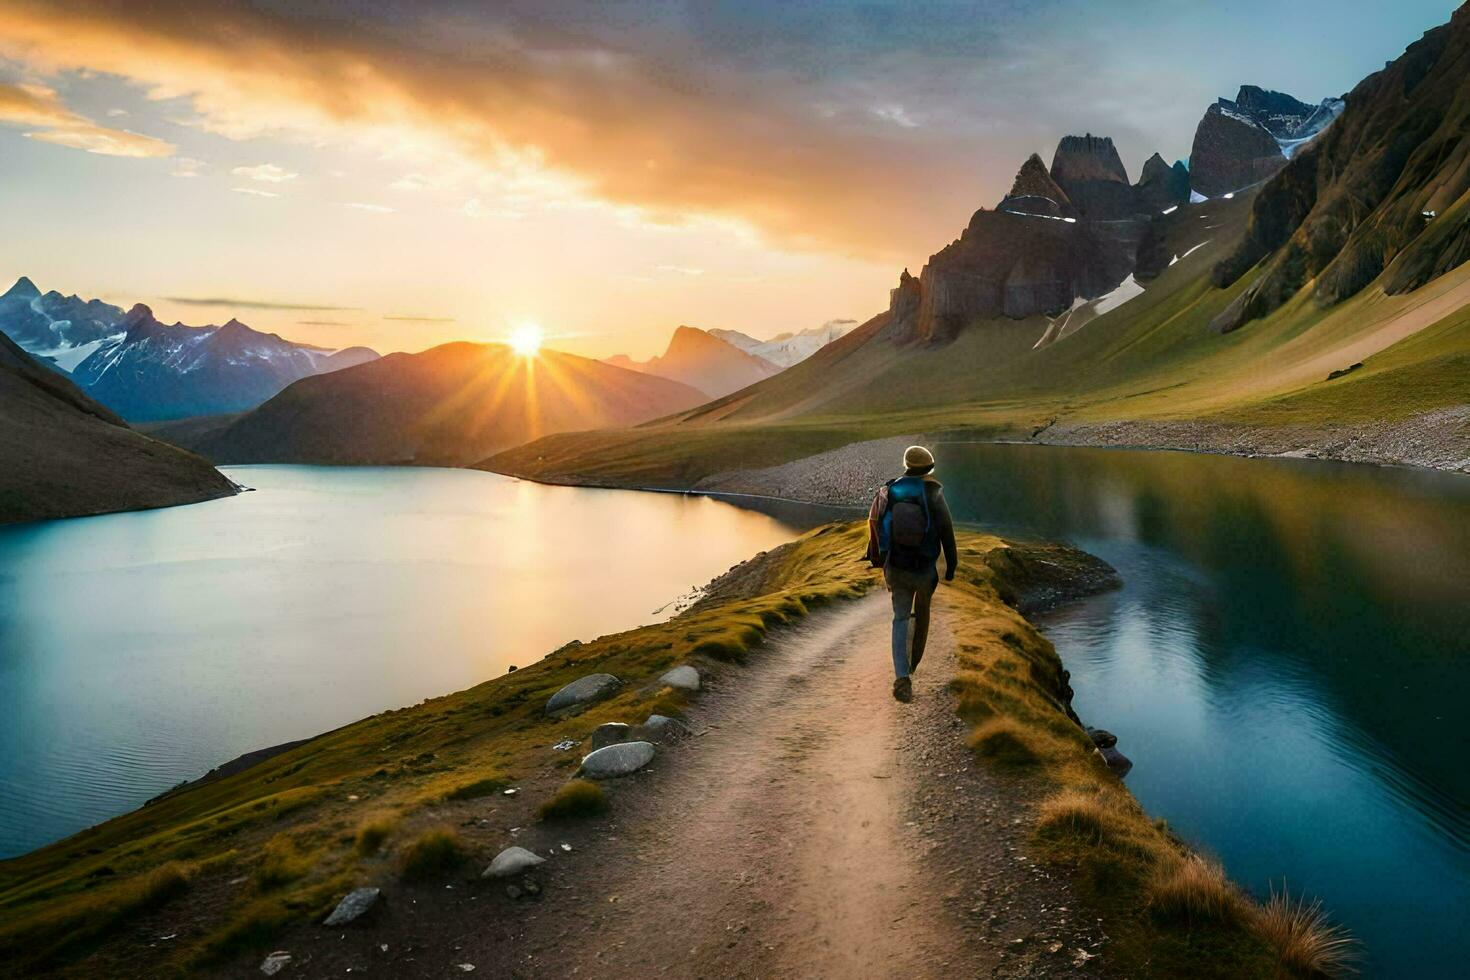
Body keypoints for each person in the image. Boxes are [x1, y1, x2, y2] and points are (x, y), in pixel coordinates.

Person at [865, 445, 958, 702]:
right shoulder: (933, 491)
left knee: (900, 618)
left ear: (906, 465)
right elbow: (946, 533)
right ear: (929, 467)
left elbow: (876, 524)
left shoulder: (890, 489)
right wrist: (951, 566)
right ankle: (914, 663)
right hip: (924, 569)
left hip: (895, 566)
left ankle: (901, 676)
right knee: (923, 615)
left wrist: (878, 557)